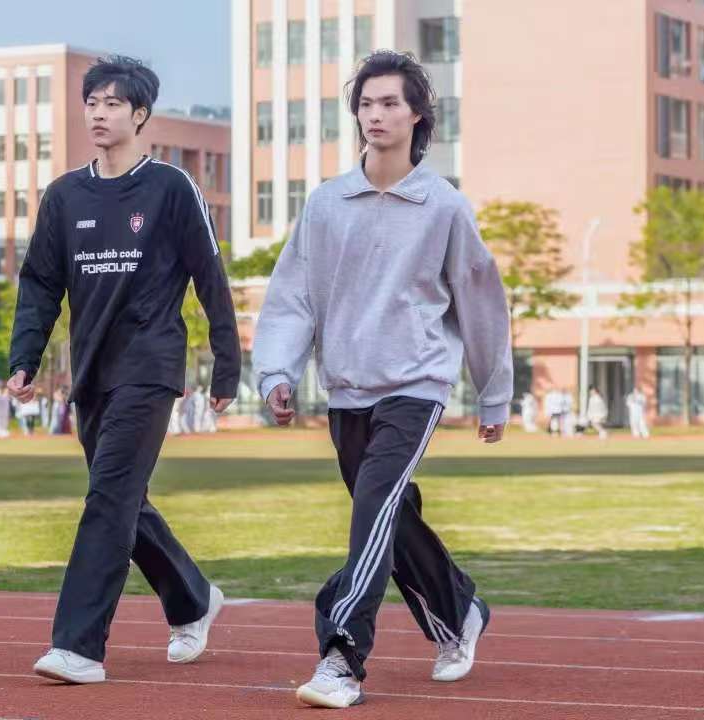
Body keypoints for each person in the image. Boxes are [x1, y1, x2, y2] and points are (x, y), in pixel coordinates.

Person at [252, 51, 512, 708]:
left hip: (416, 385)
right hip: (347, 389)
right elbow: (292, 296)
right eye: (366, 103)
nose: (376, 114)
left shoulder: (443, 206)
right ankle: (458, 610)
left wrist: (494, 393)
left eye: (390, 102)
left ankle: (341, 655)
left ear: (417, 114)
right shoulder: (326, 204)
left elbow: (481, 301)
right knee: (387, 517)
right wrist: (277, 369)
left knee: (373, 507)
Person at [7, 55, 241, 685]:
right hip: (91, 372)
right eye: (92, 102)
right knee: (123, 502)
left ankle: (78, 646)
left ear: (140, 115)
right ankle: (194, 598)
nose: (99, 114)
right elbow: (39, 284)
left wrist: (227, 365)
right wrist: (25, 356)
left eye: (112, 103)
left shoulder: (170, 188)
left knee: (108, 498)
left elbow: (209, 276)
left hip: (150, 364)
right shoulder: (64, 196)